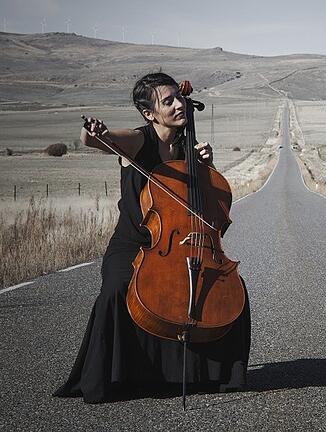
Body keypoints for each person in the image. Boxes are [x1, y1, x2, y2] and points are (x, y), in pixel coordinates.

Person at [53, 72, 251, 404]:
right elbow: (97, 141)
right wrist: (92, 133)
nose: (179, 105)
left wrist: (208, 168)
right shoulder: (136, 140)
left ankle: (214, 375)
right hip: (133, 242)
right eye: (168, 101)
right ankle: (113, 378)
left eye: (179, 98)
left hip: (185, 242)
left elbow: (213, 207)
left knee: (231, 289)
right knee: (116, 288)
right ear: (149, 113)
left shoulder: (191, 146)